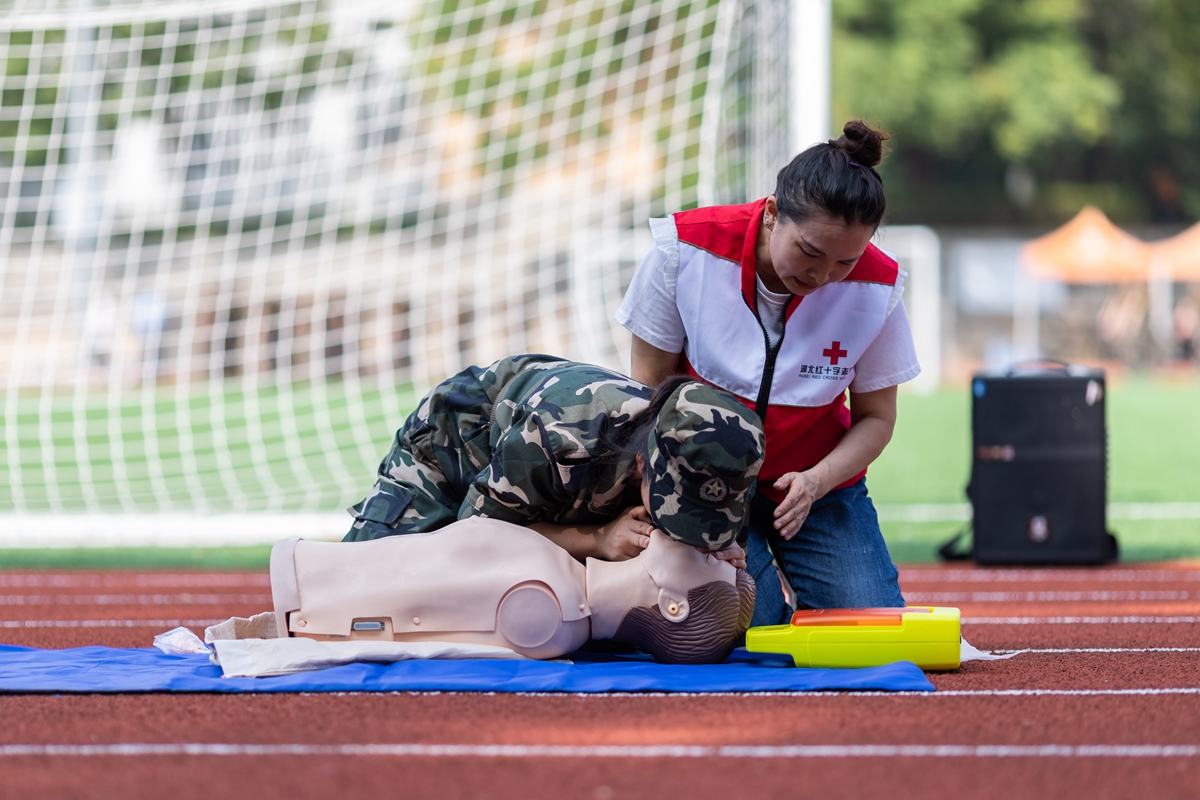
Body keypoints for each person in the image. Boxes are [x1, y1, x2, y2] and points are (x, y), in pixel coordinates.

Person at [615, 120, 920, 625]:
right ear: (774, 213)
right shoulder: (683, 251)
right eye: (810, 252)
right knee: (746, 627)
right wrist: (661, 495)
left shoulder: (879, 289)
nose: (822, 277)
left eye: (846, 262)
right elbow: (645, 392)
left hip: (817, 488)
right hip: (702, 481)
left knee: (870, 625)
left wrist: (817, 482)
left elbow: (876, 419)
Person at [344, 354, 765, 567]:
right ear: (643, 462)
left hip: (560, 487)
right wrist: (597, 541)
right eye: (680, 505)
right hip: (451, 450)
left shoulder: (726, 463)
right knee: (373, 585)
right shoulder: (558, 435)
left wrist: (718, 564)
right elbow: (474, 538)